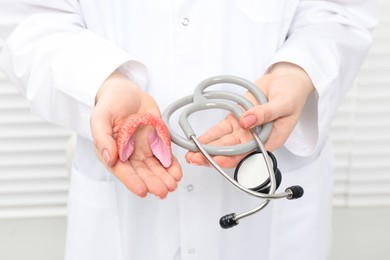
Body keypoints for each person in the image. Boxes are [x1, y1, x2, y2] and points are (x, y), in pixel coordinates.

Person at [0, 1, 377, 260]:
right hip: (128, 198)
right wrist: (102, 81)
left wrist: (298, 69)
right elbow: (33, 23)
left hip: (269, 204)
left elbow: (338, 12)